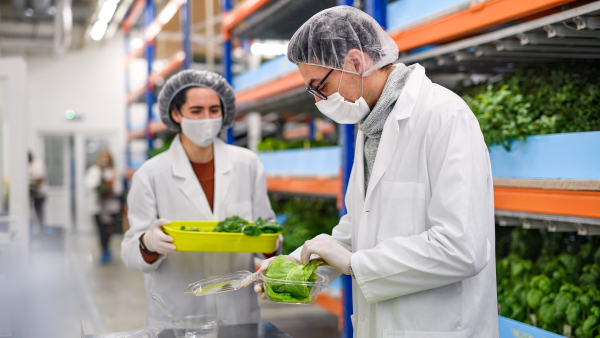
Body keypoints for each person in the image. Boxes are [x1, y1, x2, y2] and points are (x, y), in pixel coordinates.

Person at [248, 6, 498, 338]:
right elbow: (361, 227)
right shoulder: (370, 125)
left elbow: (462, 247)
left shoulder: (444, 116)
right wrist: (296, 267)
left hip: (441, 326)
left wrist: (354, 264)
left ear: (355, 62)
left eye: (319, 86)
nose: (319, 100)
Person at [121, 70, 278, 326]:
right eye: (196, 111)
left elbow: (269, 234)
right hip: (177, 315)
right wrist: (148, 243)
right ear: (176, 114)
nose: (207, 118)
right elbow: (129, 253)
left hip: (237, 314)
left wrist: (268, 242)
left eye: (214, 110)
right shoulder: (150, 174)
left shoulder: (247, 164)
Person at [85, 149, 123, 264]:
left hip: (110, 207)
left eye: (107, 157)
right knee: (101, 231)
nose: (105, 160)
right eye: (103, 157)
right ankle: (104, 251)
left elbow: (119, 189)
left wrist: (111, 188)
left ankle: (107, 249)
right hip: (97, 207)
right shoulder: (94, 171)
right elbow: (89, 185)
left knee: (109, 230)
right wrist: (100, 185)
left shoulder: (114, 172)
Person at [28, 152, 47, 228]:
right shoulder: (31, 165)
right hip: (35, 194)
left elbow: (40, 179)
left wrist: (29, 182)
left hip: (40, 194)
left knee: (39, 213)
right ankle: (40, 229)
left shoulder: (37, 164)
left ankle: (42, 230)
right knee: (37, 213)